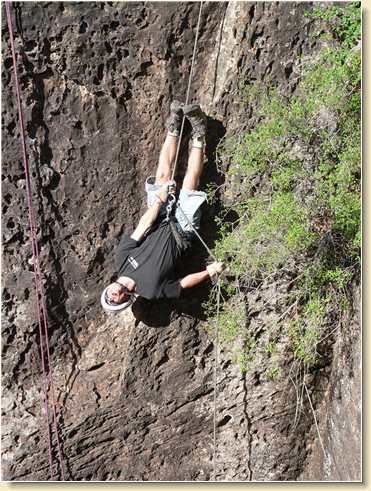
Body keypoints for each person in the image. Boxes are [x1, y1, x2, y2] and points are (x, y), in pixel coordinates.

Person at [101, 101, 224, 312]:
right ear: (125, 300)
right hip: (182, 231)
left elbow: (143, 225)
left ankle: (174, 126)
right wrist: (210, 271)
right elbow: (182, 284)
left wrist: (160, 198)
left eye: (108, 297)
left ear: (107, 289)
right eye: (115, 301)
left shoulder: (121, 259)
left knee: (162, 176)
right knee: (188, 185)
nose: (113, 296)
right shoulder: (152, 291)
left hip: (159, 217)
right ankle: (199, 134)